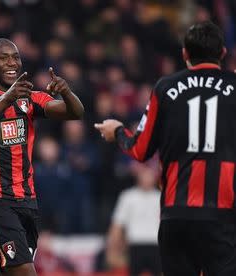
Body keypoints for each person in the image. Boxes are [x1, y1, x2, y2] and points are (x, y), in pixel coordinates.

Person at [95, 21, 236, 275]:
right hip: (223, 214)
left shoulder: (166, 88)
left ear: (184, 54)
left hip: (176, 215)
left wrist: (116, 131)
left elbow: (140, 150)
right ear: (223, 53)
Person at [0, 38, 84, 276]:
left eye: (15, 57)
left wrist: (66, 92)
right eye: (3, 58)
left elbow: (76, 112)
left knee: (9, 272)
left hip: (26, 200)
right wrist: (6, 98)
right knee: (25, 271)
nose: (11, 63)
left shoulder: (30, 97)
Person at [106, 162, 161, 276]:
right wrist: (112, 247)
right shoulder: (128, 196)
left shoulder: (161, 197)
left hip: (156, 245)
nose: (147, 178)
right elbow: (118, 223)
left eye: (149, 175)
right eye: (144, 174)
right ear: (138, 176)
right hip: (135, 244)